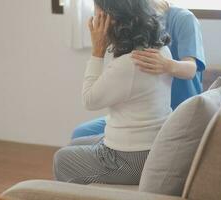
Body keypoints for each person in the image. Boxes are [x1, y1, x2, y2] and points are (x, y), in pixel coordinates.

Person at [53, 0, 173, 184]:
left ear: (114, 19)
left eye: (98, 16)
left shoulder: (128, 64)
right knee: (74, 145)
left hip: (131, 158)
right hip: (152, 147)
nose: (95, 22)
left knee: (61, 159)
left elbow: (89, 100)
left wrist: (97, 51)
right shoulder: (161, 50)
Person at [71, 0, 206, 141]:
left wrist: (166, 65)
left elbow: (191, 69)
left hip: (175, 114)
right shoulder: (134, 18)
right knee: (80, 133)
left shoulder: (183, 18)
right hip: (142, 114)